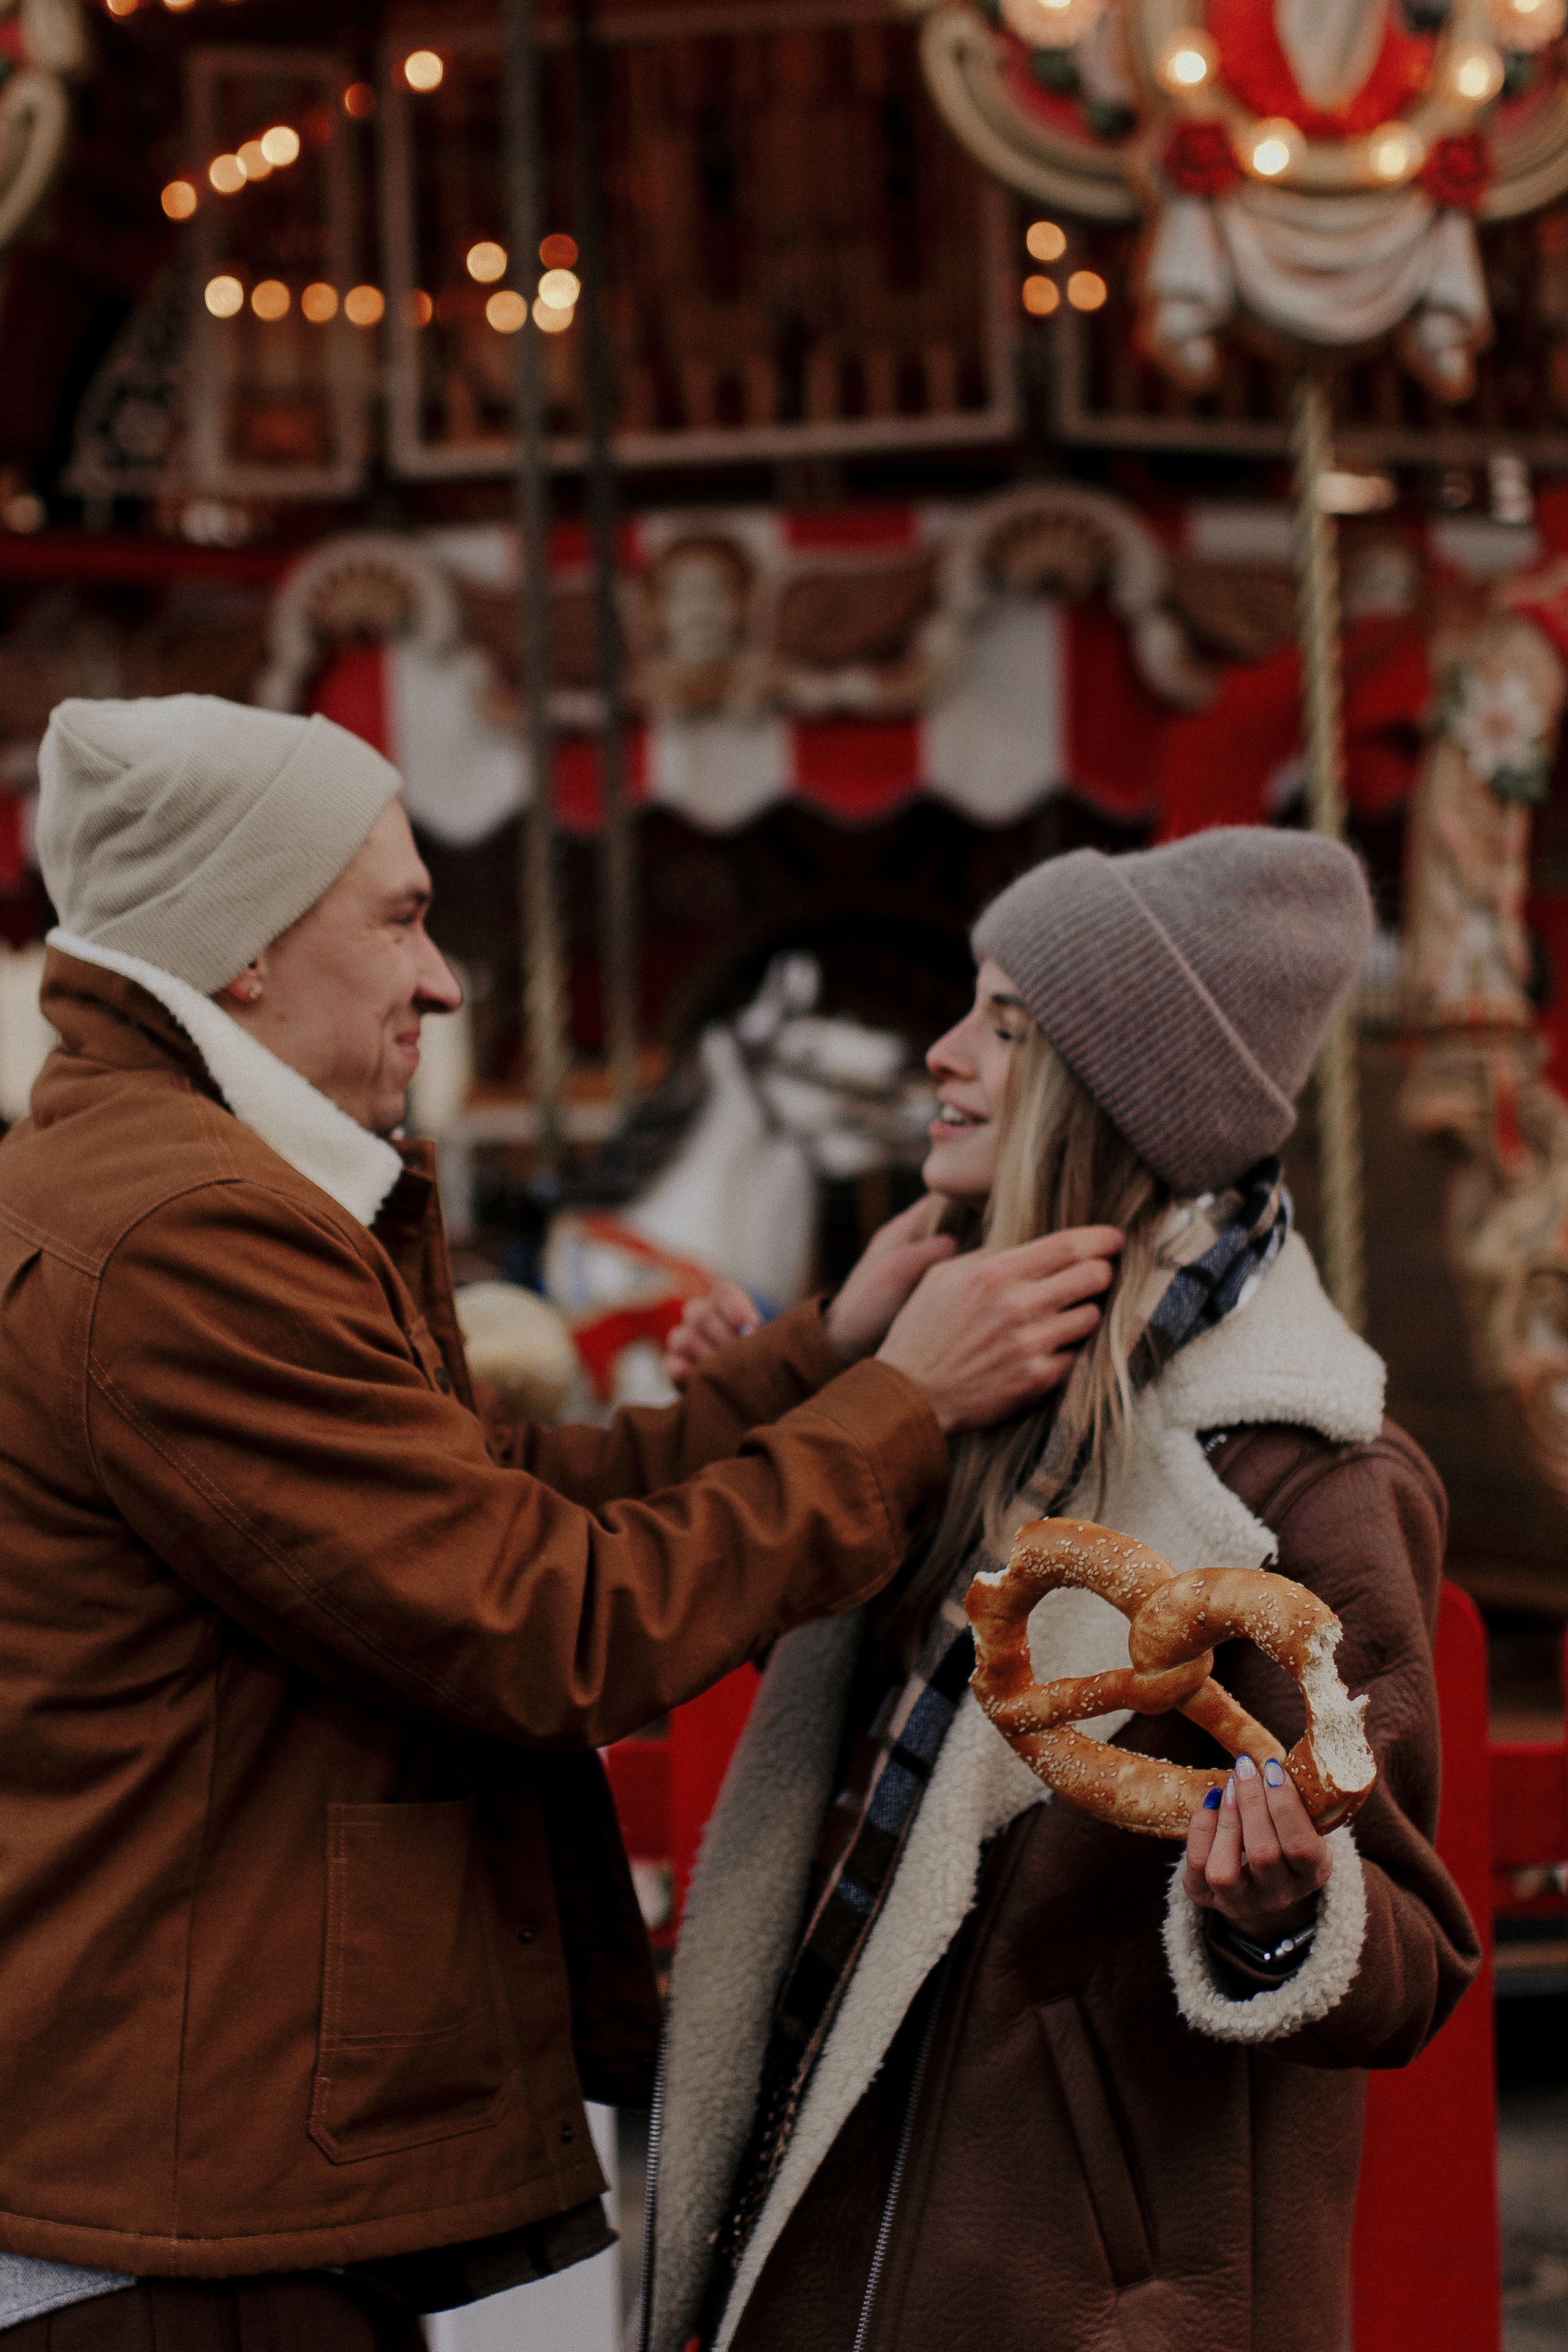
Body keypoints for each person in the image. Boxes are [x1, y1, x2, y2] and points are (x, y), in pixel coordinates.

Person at [0, 695, 1123, 2350]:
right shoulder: (190, 1232)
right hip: (195, 2209)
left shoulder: (153, 1174)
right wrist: (903, 1407)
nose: (441, 981)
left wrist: (819, 1358)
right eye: (399, 919)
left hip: (196, 2148)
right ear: (243, 949)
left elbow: (479, 1495)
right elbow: (538, 1621)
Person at [650, 830, 1483, 2352]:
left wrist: (1278, 1920)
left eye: (1002, 1025)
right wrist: (798, 1399)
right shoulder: (971, 1398)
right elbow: (870, 1768)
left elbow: (1412, 1951)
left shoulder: (1296, 1479)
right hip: (835, 2216)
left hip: (1058, 2293)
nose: (940, 1052)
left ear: (1106, 1089)